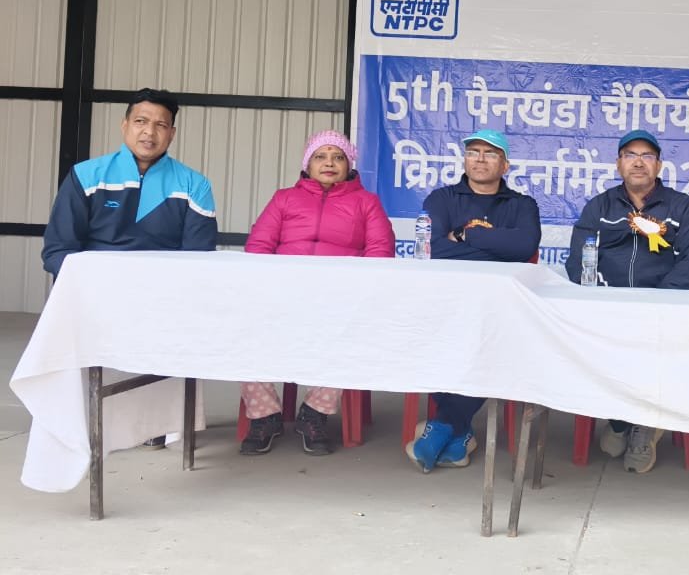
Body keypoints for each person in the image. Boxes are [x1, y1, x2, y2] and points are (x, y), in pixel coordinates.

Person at [42, 88, 217, 450]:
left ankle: (160, 423)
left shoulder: (194, 185)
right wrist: (95, 287)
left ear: (172, 133)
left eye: (160, 125)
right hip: (95, 295)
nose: (149, 132)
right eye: (140, 121)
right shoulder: (86, 176)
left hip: (161, 298)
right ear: (124, 126)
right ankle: (76, 424)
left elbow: (198, 260)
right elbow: (58, 250)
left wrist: (152, 290)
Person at [238, 130, 394, 456]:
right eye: (320, 157)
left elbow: (380, 252)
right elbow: (259, 246)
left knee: (348, 336)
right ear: (307, 164)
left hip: (339, 300)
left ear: (349, 166)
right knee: (244, 332)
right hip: (283, 296)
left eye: (338, 157)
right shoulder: (284, 198)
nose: (329, 163)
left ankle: (313, 414)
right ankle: (265, 416)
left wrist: (354, 293)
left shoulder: (367, 202)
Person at [566, 129, 689, 473]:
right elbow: (578, 260)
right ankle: (620, 420)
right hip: (608, 309)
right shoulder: (599, 206)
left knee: (657, 341)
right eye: (630, 155)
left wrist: (657, 302)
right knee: (596, 342)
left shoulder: (682, 206)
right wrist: (609, 299)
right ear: (619, 164)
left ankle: (644, 424)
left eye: (647, 156)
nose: (638, 162)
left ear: (658, 165)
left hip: (663, 312)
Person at [406, 129, 542, 473]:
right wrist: (497, 249)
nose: (480, 159)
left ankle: (442, 426)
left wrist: (466, 234)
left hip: (500, 307)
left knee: (489, 341)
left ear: (505, 165)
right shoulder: (442, 199)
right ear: (464, 160)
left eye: (490, 153)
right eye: (473, 152)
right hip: (446, 303)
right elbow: (433, 248)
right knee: (436, 340)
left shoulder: (522, 205)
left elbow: (524, 247)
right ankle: (459, 432)